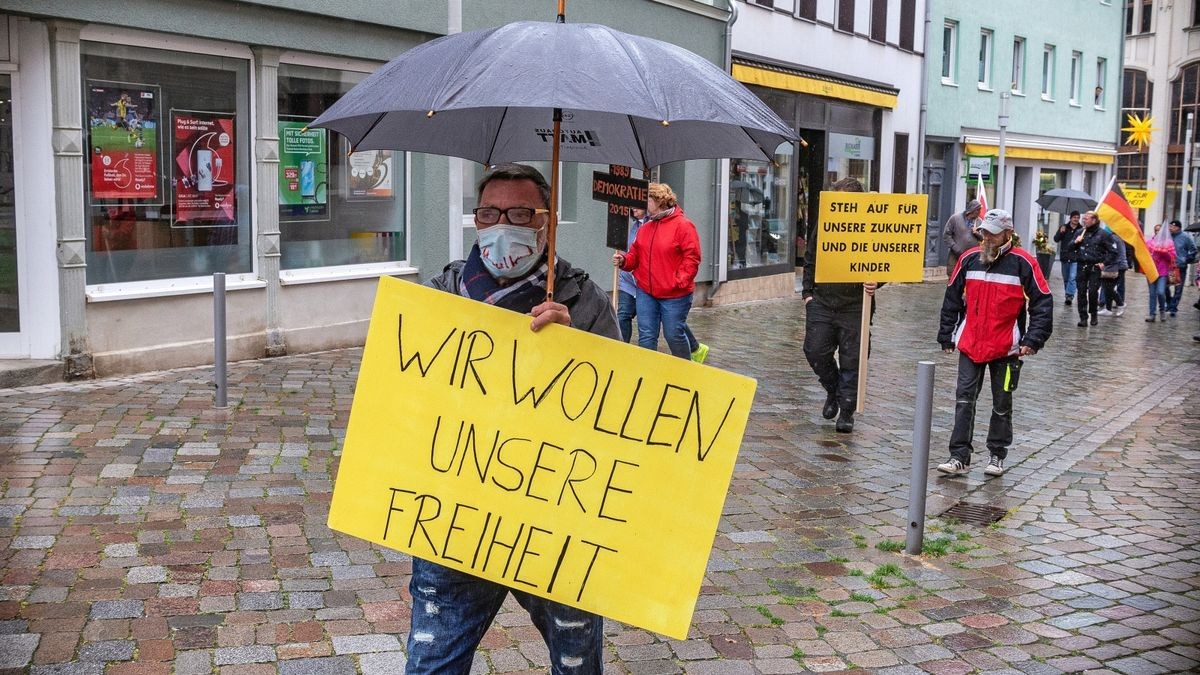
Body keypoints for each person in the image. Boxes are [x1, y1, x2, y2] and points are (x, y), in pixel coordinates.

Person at [413, 163, 616, 674]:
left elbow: (617, 409)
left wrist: (575, 350)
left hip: (554, 522)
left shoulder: (584, 300)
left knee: (577, 663)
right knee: (433, 662)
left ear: (545, 220)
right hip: (457, 516)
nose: (503, 222)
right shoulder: (443, 292)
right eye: (489, 211)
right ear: (476, 220)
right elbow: (408, 397)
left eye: (520, 212)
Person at [937, 209, 1052, 477]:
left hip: (1007, 348)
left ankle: (997, 455)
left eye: (993, 233)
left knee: (1002, 403)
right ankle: (958, 456)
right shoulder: (968, 260)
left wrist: (1033, 339)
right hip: (970, 343)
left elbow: (1043, 302)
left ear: (1008, 234)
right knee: (964, 400)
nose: (986, 237)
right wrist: (946, 334)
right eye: (984, 232)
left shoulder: (1024, 263)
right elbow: (951, 299)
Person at [801, 176, 878, 433]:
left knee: (853, 359)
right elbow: (811, 255)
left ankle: (846, 410)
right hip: (822, 300)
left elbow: (887, 258)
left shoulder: (873, 224)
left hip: (856, 303)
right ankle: (833, 389)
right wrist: (808, 293)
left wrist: (878, 282)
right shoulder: (826, 222)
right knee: (815, 350)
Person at [613, 182, 703, 360]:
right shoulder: (645, 228)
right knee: (646, 337)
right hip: (646, 291)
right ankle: (648, 374)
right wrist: (624, 261)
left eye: (646, 199)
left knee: (673, 335)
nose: (642, 204)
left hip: (675, 294)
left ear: (659, 201)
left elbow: (692, 258)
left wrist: (679, 282)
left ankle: (686, 371)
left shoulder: (683, 226)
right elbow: (635, 255)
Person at [1067, 211, 1119, 327]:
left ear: (1094, 220)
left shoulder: (1104, 234)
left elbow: (1113, 252)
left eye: (1086, 219)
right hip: (1081, 266)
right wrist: (1076, 242)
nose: (1083, 220)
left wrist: (1104, 262)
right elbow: (1069, 247)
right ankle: (1083, 317)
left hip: (1094, 267)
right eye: (1083, 218)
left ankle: (1093, 313)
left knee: (1092, 292)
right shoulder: (1080, 232)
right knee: (1081, 292)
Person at [1166, 220, 1197, 317]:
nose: (1170, 228)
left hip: (1180, 267)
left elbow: (1193, 250)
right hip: (1169, 267)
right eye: (1170, 226)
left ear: (1178, 227)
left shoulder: (1186, 237)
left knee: (1178, 289)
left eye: (1172, 226)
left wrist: (1185, 259)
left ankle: (1173, 308)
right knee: (1165, 287)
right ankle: (1170, 302)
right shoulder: (1168, 236)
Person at [1146, 225, 1177, 322]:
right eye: (1156, 230)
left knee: (1160, 292)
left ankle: (1162, 310)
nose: (1157, 232)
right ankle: (1152, 314)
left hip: (1162, 272)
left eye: (1159, 231)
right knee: (1152, 294)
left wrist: (1164, 252)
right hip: (1151, 271)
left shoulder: (1168, 243)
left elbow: (1172, 258)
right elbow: (1145, 256)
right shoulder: (1149, 243)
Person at [1052, 210, 1083, 305]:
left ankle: (1070, 295)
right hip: (1065, 256)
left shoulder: (1082, 229)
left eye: (1078, 218)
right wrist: (1061, 232)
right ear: (1070, 218)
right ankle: (1067, 294)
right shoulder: (1064, 227)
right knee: (1066, 278)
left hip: (1075, 257)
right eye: (1074, 217)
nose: (1076, 219)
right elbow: (1056, 239)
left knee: (1072, 277)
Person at [941, 198, 983, 266]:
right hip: (956, 255)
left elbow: (984, 238)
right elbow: (946, 235)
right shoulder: (955, 218)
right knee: (953, 274)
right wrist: (955, 248)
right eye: (978, 210)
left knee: (968, 275)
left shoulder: (979, 221)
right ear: (972, 210)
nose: (979, 212)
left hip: (972, 257)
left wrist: (977, 234)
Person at [1097, 234, 1129, 317]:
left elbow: (1114, 254)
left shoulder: (1114, 238)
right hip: (1111, 266)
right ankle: (1108, 308)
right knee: (1106, 287)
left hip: (1116, 267)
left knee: (1109, 288)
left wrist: (1105, 263)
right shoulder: (1113, 237)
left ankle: (1120, 304)